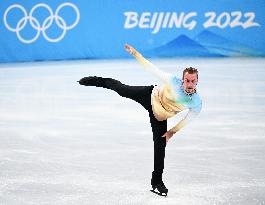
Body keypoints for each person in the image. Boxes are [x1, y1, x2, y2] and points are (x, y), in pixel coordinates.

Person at [78, 44, 202, 196]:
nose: (189, 84)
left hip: (159, 116)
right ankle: (99, 81)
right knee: (123, 90)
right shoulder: (173, 82)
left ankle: (157, 182)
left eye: (192, 81)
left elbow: (188, 119)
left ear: (197, 81)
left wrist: (171, 132)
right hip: (150, 95)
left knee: (160, 145)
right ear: (182, 79)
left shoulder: (196, 102)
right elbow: (151, 68)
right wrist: (135, 53)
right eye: (187, 80)